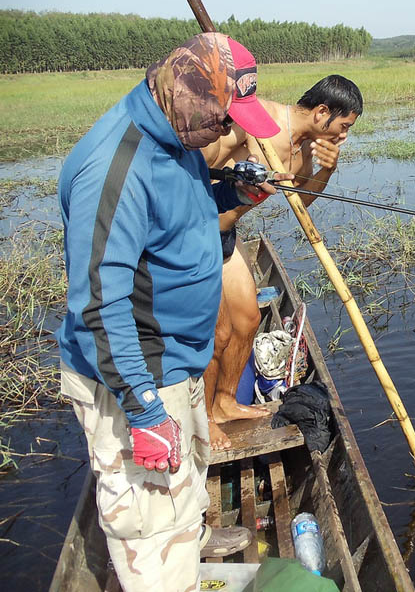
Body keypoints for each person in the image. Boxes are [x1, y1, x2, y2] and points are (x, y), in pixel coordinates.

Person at [56, 32, 284, 591]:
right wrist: (142, 408)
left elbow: (186, 213)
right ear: (190, 97)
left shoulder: (176, 140)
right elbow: (100, 301)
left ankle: (193, 538)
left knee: (187, 481)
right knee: (148, 525)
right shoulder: (117, 166)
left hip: (177, 363)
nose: (228, 132)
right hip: (140, 375)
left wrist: (234, 195)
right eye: (224, 119)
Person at [200, 75, 362, 450]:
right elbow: (198, 161)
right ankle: (205, 417)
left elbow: (301, 204)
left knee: (248, 320)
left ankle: (225, 402)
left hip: (227, 235)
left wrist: (326, 170)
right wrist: (234, 175)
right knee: (217, 333)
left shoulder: (307, 150)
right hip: (197, 231)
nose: (344, 135)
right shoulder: (259, 119)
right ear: (322, 113)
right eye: (343, 126)